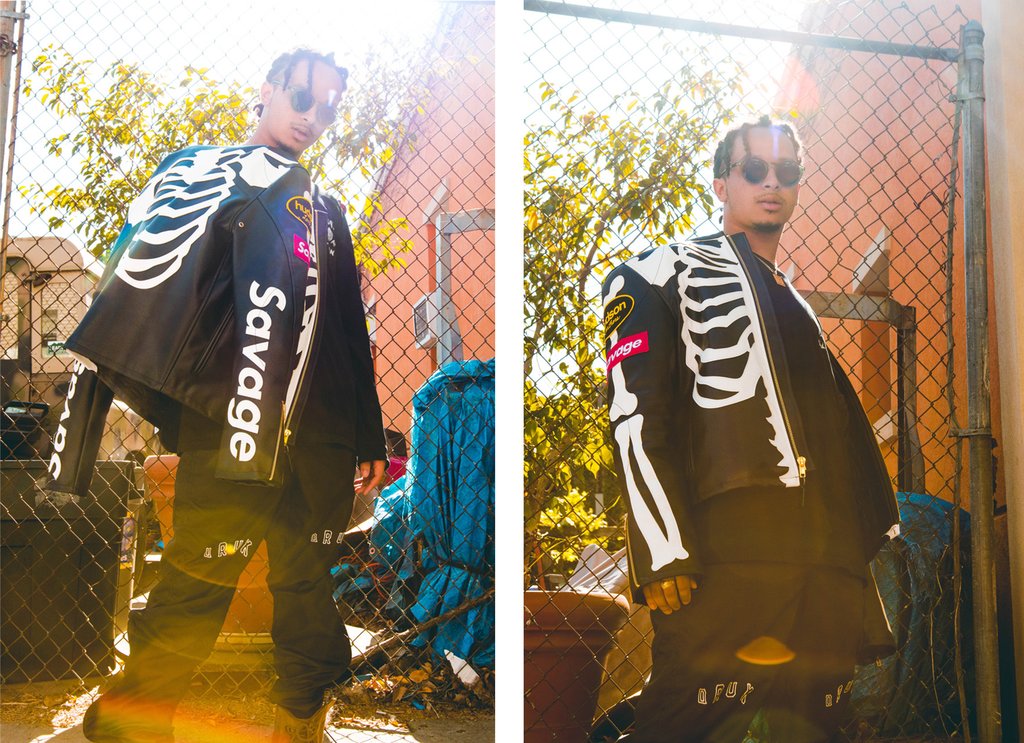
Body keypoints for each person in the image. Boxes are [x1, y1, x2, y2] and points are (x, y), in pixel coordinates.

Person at [47, 49, 387, 742]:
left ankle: (299, 716)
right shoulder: (202, 171)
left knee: (305, 582)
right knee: (198, 580)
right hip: (230, 419)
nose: (312, 118)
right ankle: (131, 719)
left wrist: (369, 434)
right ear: (264, 91)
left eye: (328, 108)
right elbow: (141, 273)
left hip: (317, 428)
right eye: (301, 97)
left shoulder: (326, 210)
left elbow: (349, 326)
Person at [602, 115, 901, 743]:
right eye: (754, 170)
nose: (773, 183)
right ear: (720, 183)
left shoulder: (793, 300)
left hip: (826, 558)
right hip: (730, 552)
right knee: (681, 724)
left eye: (787, 172)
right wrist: (663, 550)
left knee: (816, 729)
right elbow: (634, 413)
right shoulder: (656, 273)